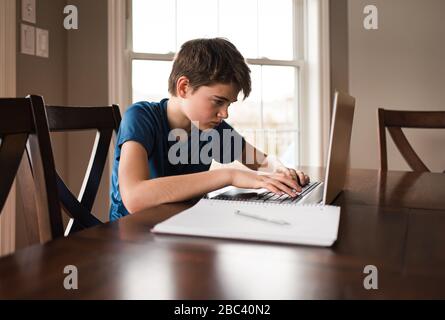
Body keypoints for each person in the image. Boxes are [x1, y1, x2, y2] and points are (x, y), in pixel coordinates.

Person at [109, 38, 310, 221]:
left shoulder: (211, 129)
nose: (224, 113)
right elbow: (135, 197)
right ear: (184, 87)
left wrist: (281, 170)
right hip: (134, 233)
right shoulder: (141, 117)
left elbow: (261, 161)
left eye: (229, 104)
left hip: (184, 224)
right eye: (218, 101)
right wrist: (229, 176)